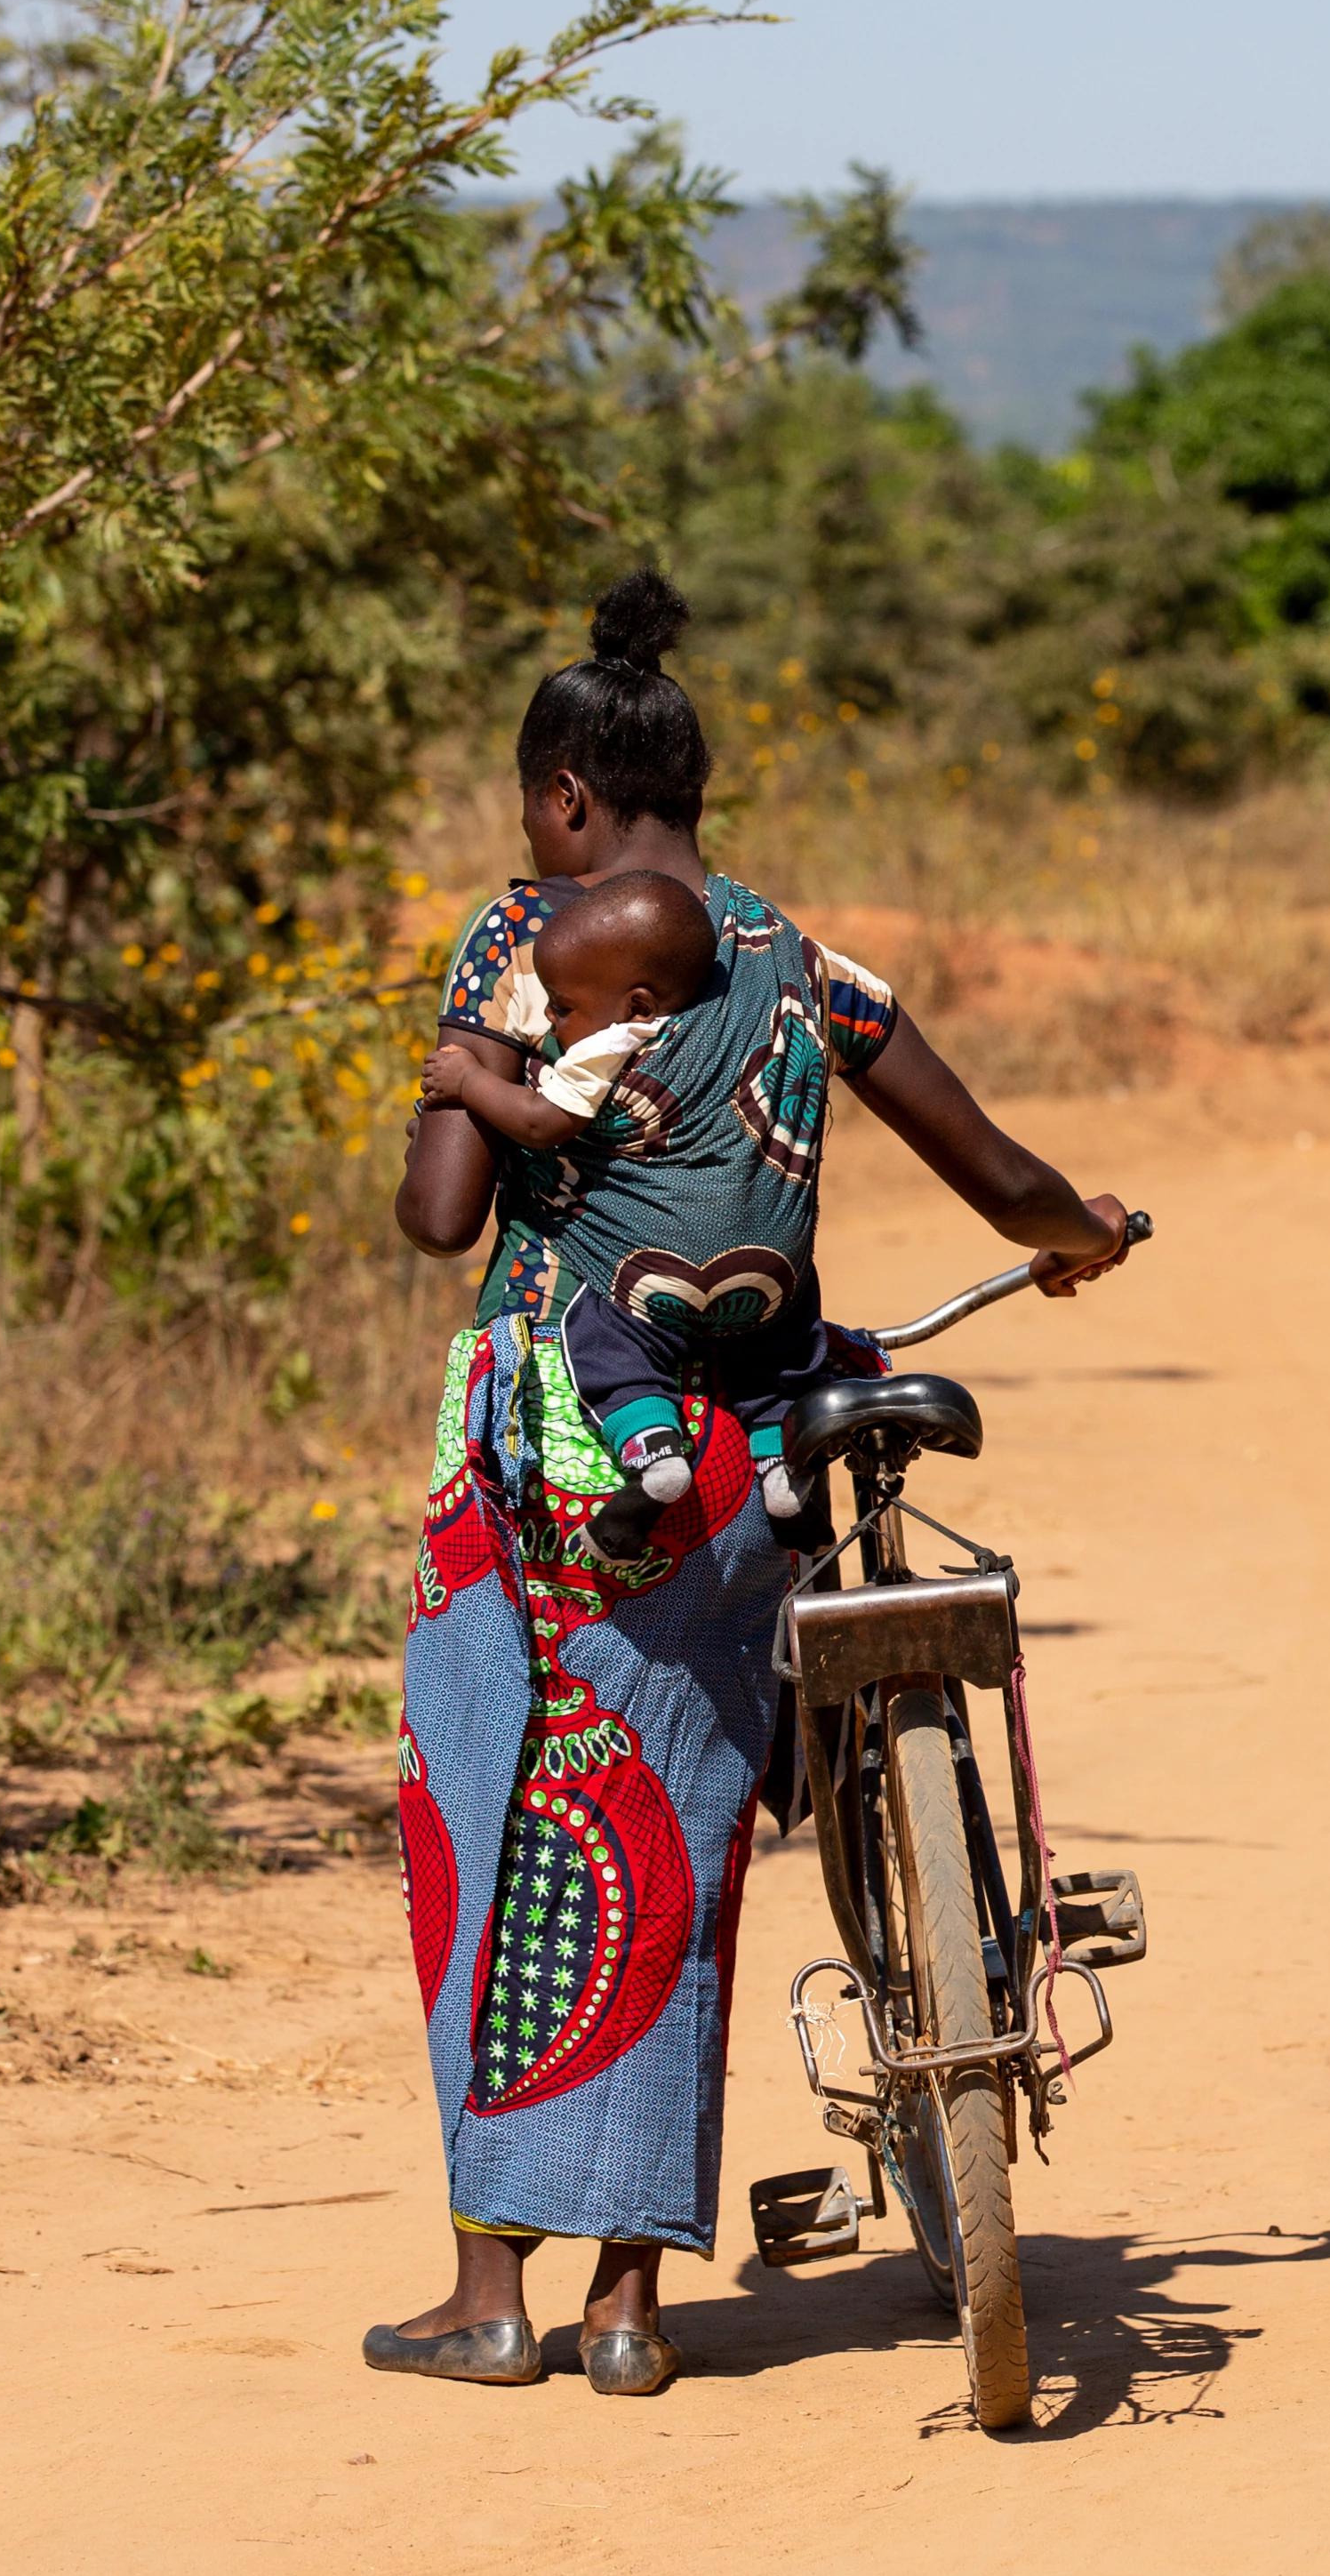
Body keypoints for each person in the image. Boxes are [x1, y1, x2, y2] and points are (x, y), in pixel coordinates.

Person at [366, 566, 1130, 2397]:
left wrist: (478, 1079)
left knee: (487, 1813)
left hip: (556, 1447)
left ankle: (491, 2290)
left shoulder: (522, 939)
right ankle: (632, 2304)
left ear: (564, 795)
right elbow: (993, 1165)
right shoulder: (806, 962)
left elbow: (437, 1213)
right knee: (678, 1826)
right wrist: (1074, 1228)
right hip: (738, 1457)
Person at [407, 868, 828, 1544]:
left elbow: (543, 1122)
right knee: (784, 1339)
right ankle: (779, 1456)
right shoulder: (749, 1005)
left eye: (563, 1005)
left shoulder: (610, 1046)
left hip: (661, 1272)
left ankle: (652, 1445)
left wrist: (470, 1080)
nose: (551, 1019)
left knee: (602, 1332)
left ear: (635, 1003)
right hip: (765, 1273)